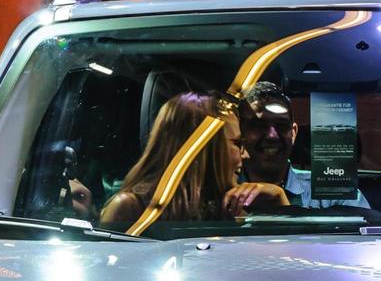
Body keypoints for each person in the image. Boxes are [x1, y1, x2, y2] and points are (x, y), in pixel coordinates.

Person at [101, 91, 288, 229]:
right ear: (204, 147)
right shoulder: (131, 208)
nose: (245, 155)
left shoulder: (230, 209)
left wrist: (280, 201)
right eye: (236, 144)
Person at [237, 81, 370, 210]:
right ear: (239, 133)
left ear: (294, 133)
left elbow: (370, 230)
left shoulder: (334, 193)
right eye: (258, 126)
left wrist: (282, 204)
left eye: (281, 126)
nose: (272, 136)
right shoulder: (221, 189)